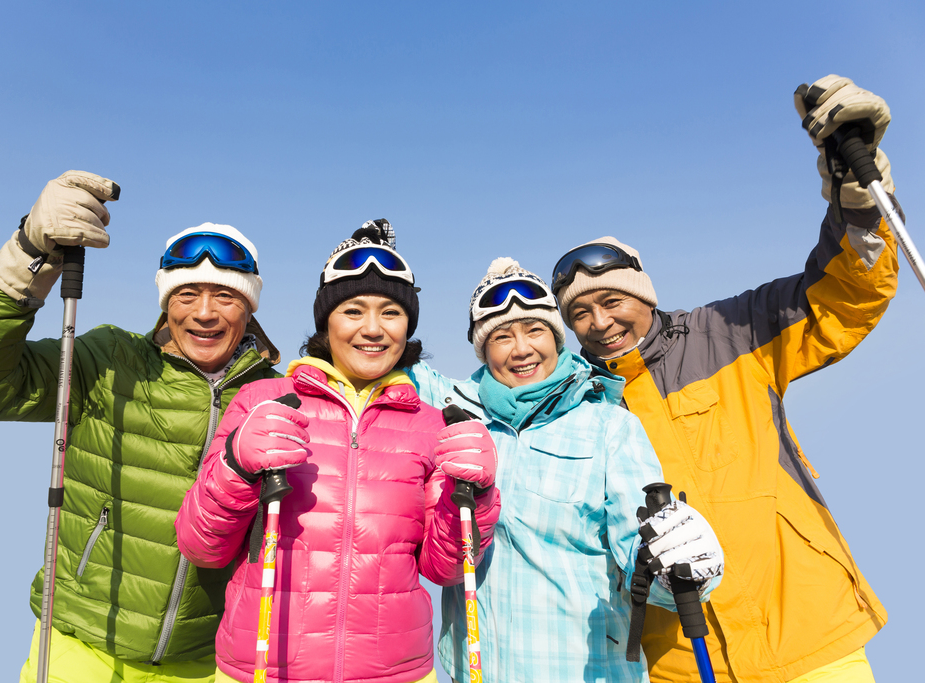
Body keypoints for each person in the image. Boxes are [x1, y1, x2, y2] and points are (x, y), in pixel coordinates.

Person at [550, 75, 898, 683]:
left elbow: (843, 296)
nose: (600, 322)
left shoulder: (731, 330)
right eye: (580, 314)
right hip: (682, 658)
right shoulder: (578, 401)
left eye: (611, 301)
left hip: (809, 632)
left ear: (642, 295)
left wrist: (856, 192)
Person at [0, 171, 283, 682]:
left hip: (209, 660)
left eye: (225, 296)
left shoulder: (275, 397)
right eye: (187, 295)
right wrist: (29, 252)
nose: (204, 313)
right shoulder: (108, 359)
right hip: (84, 645)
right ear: (166, 303)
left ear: (249, 309)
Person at [175, 221, 501, 683]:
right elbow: (201, 546)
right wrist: (236, 466)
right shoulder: (264, 402)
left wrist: (476, 496)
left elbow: (447, 568)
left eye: (391, 312)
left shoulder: (432, 425)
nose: (372, 329)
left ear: (408, 325)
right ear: (325, 322)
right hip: (266, 668)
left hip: (397, 673)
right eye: (353, 310)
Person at [408, 257, 725, 682]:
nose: (521, 349)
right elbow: (380, 361)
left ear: (556, 338)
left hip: (588, 669)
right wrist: (376, 283)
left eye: (535, 330)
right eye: (501, 336)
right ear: (483, 349)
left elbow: (638, 552)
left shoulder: (609, 426)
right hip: (480, 672)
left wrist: (674, 567)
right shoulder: (455, 413)